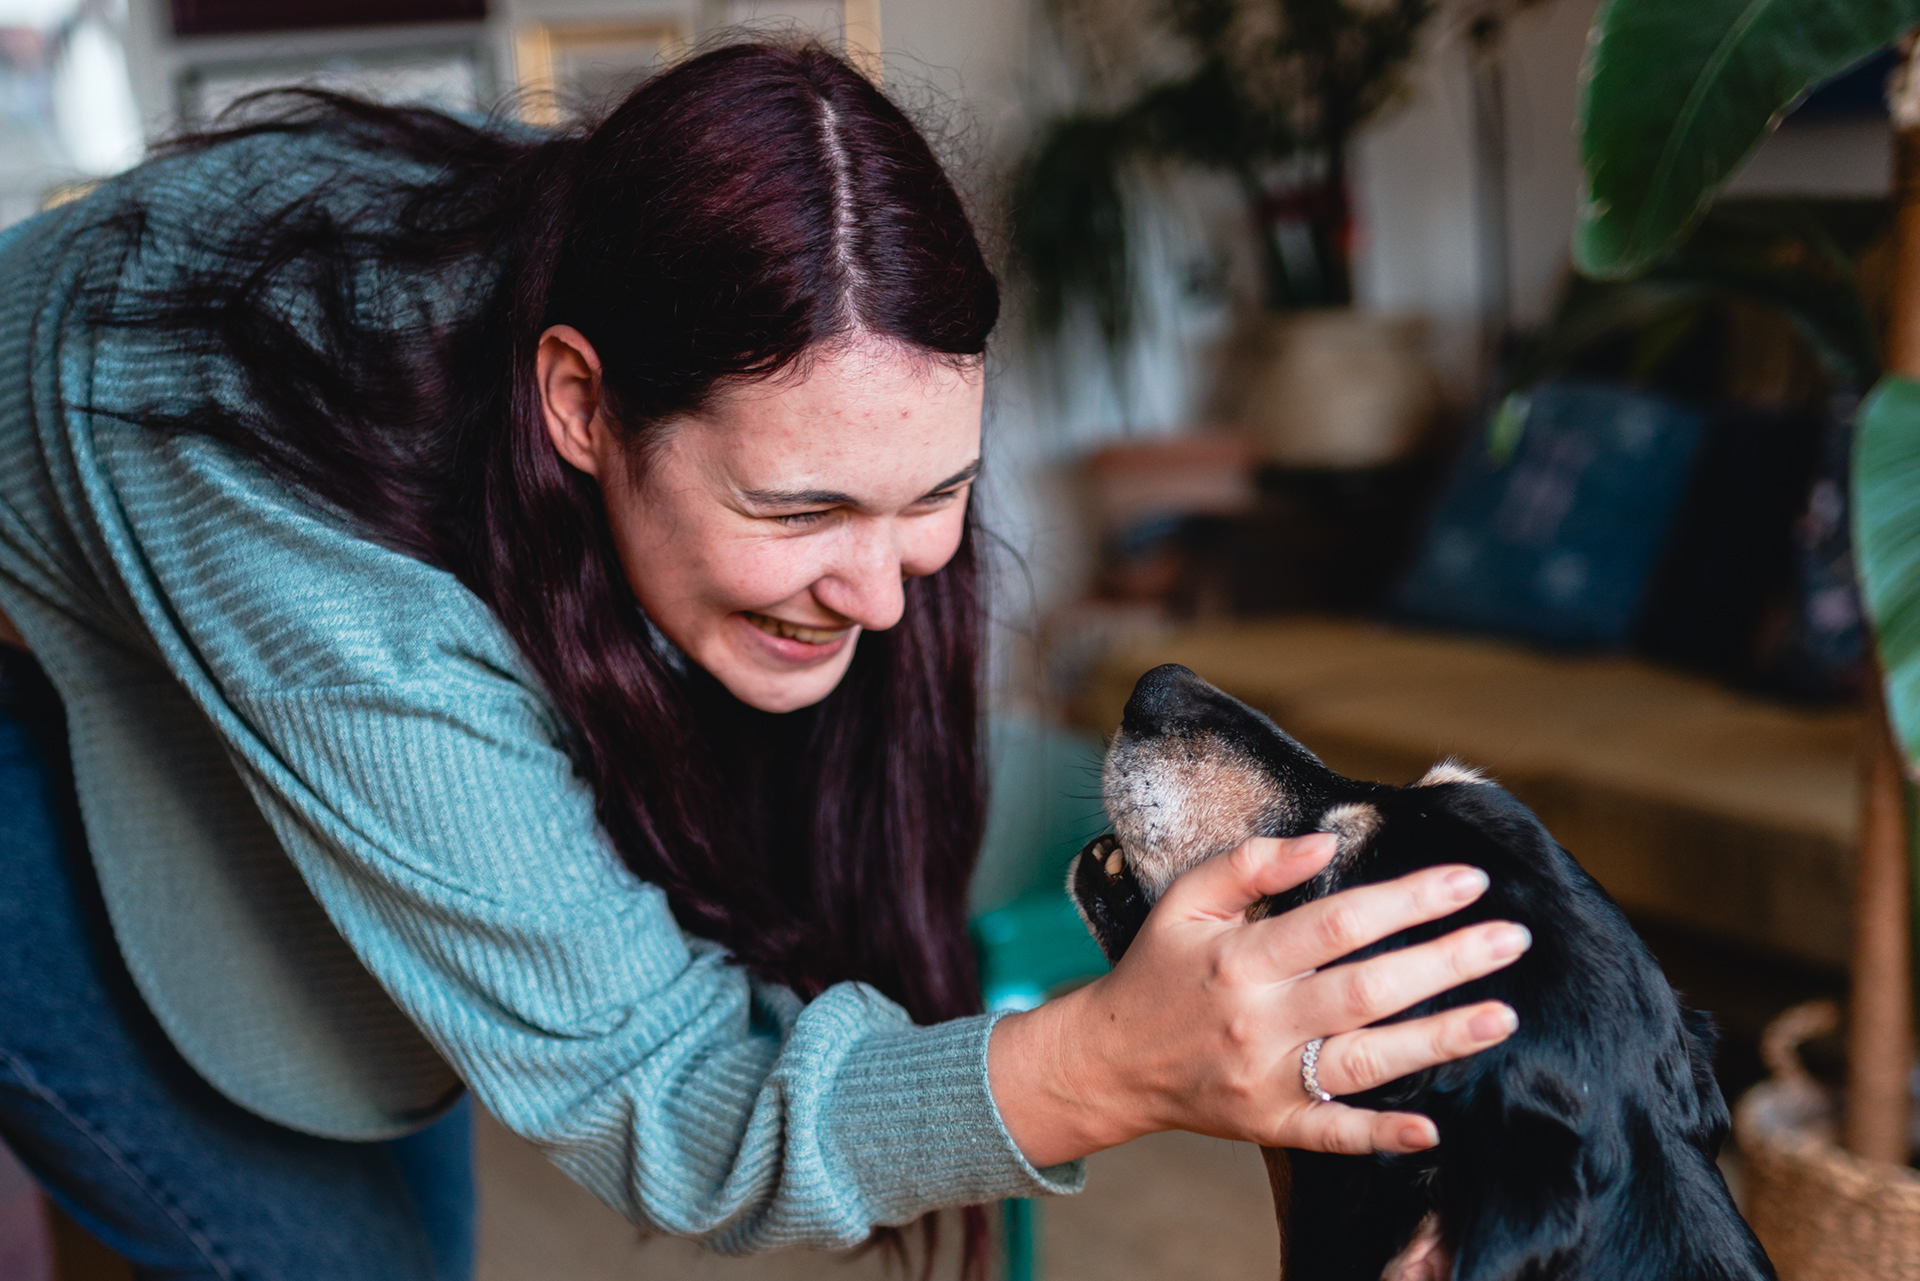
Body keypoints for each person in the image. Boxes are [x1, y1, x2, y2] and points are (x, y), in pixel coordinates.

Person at [0, 42, 1528, 1281]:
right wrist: (1108, 1063)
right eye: (797, 511)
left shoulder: (621, 252)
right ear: (579, 406)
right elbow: (665, 1099)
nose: (878, 596)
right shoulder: (344, 576)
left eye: (932, 496)